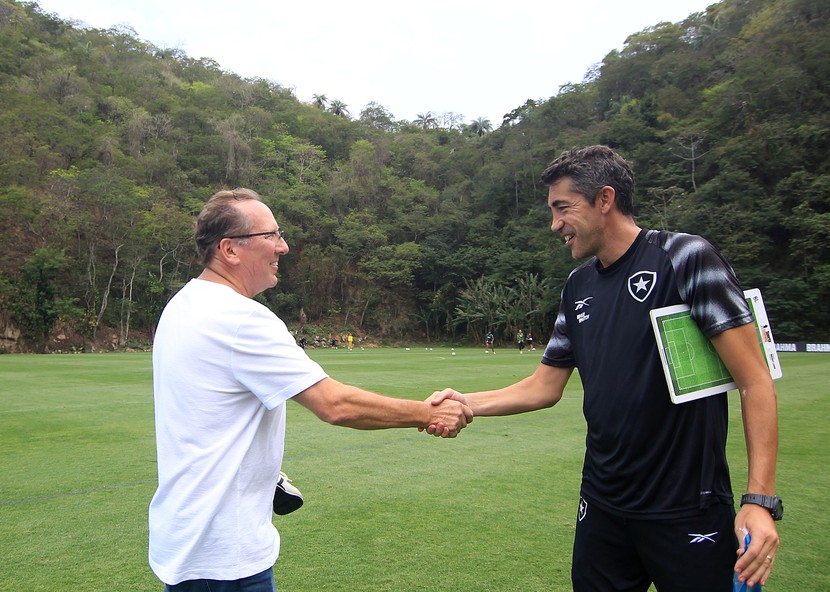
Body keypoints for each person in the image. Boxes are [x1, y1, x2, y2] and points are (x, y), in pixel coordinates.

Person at [428, 146, 780, 591]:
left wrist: (760, 500)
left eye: (563, 208)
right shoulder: (578, 286)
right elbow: (543, 386)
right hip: (603, 506)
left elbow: (755, 380)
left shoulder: (685, 257)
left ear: (605, 199)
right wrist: (466, 403)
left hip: (688, 507)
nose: (554, 224)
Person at [149, 188, 472, 591]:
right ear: (230, 250)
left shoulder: (184, 303)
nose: (283, 246)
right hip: (224, 556)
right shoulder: (239, 318)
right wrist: (429, 413)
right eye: (271, 236)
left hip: (187, 539)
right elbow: (334, 404)